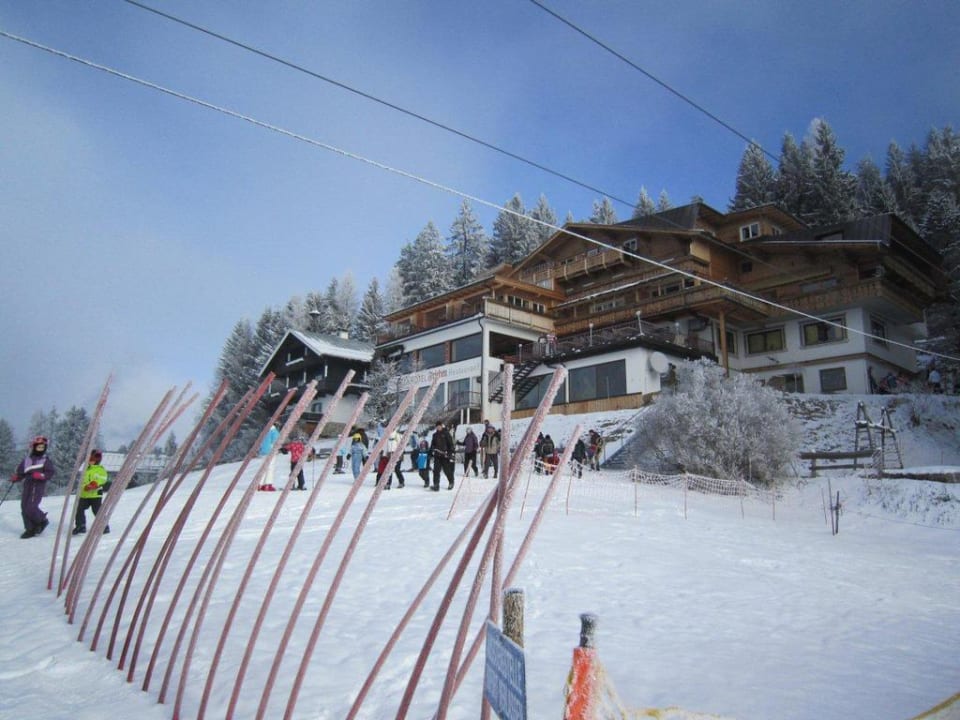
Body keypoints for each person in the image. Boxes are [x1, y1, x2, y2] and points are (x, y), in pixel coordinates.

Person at [10, 435, 55, 538]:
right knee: (24, 506)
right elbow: (21, 473)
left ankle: (42, 520)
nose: (40, 450)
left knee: (31, 507)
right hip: (28, 484)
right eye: (38, 447)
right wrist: (16, 477)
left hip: (37, 485)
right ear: (34, 447)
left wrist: (41, 475)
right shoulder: (27, 460)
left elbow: (50, 473)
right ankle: (29, 529)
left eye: (42, 448)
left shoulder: (45, 460)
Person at [74, 449, 109, 535]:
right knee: (79, 509)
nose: (91, 462)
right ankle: (80, 525)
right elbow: (82, 481)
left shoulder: (101, 469)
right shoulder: (86, 470)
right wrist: (85, 486)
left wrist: (96, 484)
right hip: (84, 495)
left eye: (93, 460)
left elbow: (103, 479)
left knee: (97, 510)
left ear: (98, 460)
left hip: (96, 495)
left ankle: (103, 526)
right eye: (90, 460)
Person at [429, 420, 456, 491]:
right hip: (437, 455)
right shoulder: (434, 435)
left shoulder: (446, 433)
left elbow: (451, 444)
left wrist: (450, 453)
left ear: (441, 426)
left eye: (439, 426)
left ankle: (451, 482)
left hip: (445, 455)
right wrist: (431, 452)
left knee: (447, 470)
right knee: (436, 471)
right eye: (437, 426)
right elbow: (432, 445)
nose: (438, 427)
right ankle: (436, 485)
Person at [259, 421, 280, 490]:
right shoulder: (274, 431)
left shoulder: (264, 431)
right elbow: (277, 441)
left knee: (263, 467)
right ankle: (268, 484)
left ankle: (259, 484)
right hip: (271, 451)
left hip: (263, 451)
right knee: (270, 468)